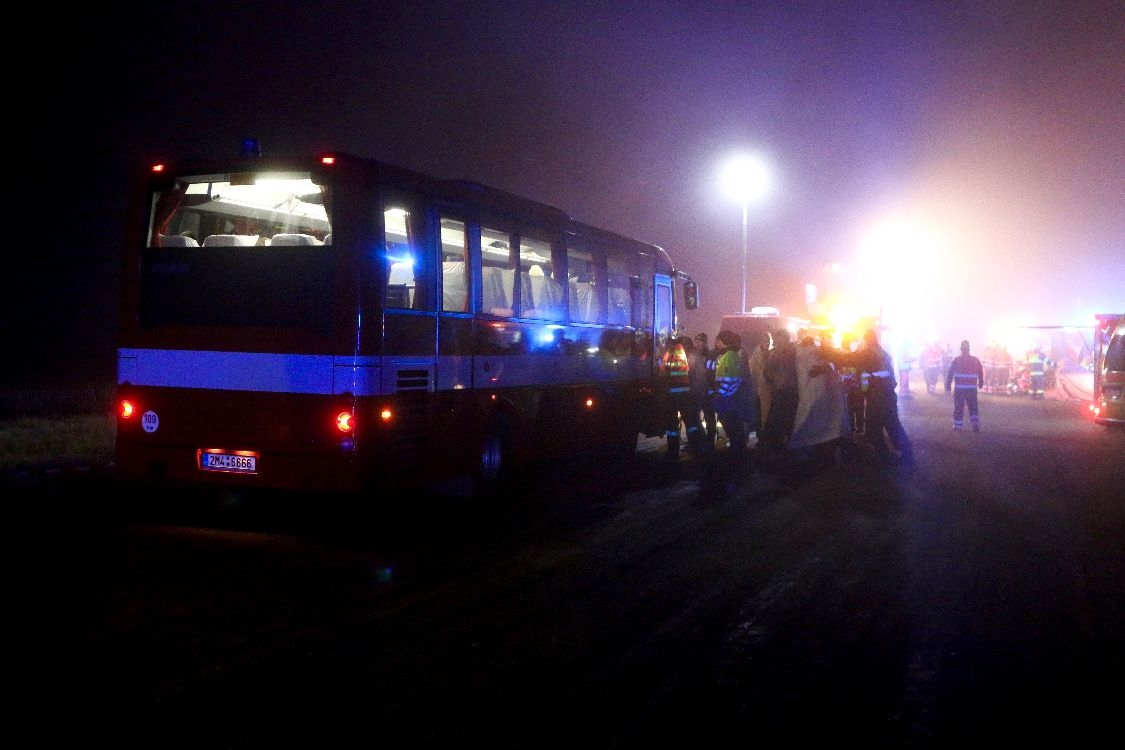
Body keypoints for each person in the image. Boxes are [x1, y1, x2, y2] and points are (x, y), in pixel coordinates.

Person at [825, 328, 914, 466]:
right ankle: (906, 453)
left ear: (867, 340)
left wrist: (828, 351)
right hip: (887, 395)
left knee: (873, 429)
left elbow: (848, 359)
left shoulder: (869, 353)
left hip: (878, 397)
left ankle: (884, 457)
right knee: (892, 425)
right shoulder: (881, 352)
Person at [789, 333, 848, 467]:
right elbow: (834, 367)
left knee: (808, 426)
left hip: (807, 398)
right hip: (826, 398)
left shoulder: (797, 356)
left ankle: (807, 457)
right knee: (827, 429)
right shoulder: (821, 355)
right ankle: (828, 460)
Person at [657, 336, 705, 459]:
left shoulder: (669, 353)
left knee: (672, 425)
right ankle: (697, 448)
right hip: (685, 393)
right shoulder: (684, 354)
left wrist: (662, 392)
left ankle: (673, 451)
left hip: (671, 394)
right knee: (691, 423)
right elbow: (690, 372)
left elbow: (662, 373)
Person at [711, 330, 750, 452]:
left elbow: (728, 379)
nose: (716, 342)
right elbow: (717, 367)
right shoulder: (727, 355)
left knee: (731, 425)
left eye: (718, 340)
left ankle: (737, 450)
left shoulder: (728, 356)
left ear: (723, 341)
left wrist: (720, 394)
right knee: (733, 424)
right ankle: (737, 448)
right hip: (729, 396)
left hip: (727, 397)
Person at [761, 327, 798, 453]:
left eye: (777, 338)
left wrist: (772, 377)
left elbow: (768, 371)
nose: (775, 340)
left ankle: (777, 448)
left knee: (779, 420)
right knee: (784, 420)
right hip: (787, 391)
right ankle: (782, 447)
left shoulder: (784, 352)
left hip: (784, 391)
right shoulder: (792, 351)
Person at [682, 335, 715, 451]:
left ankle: (700, 443)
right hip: (701, 390)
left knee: (694, 419)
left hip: (696, 391)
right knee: (695, 418)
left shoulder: (691, 355)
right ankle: (700, 443)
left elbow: (688, 372)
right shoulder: (696, 354)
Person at [945, 339, 984, 432]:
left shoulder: (956, 360)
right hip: (972, 388)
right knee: (973, 407)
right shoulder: (975, 360)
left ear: (961, 349)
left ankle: (957, 426)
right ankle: (975, 425)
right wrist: (981, 382)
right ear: (969, 349)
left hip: (960, 389)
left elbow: (950, 373)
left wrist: (948, 385)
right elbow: (980, 372)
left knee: (958, 407)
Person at [692, 332, 718, 447]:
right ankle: (699, 440)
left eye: (700, 340)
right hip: (696, 391)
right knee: (694, 417)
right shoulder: (692, 354)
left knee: (709, 417)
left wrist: (704, 362)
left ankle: (710, 440)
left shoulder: (710, 355)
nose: (697, 343)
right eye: (696, 340)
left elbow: (713, 371)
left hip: (708, 391)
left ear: (705, 343)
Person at [746, 331, 772, 443]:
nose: (766, 342)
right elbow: (751, 369)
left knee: (769, 413)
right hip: (758, 389)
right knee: (760, 414)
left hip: (770, 390)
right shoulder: (756, 353)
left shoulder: (773, 352)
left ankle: (767, 436)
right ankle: (762, 436)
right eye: (765, 339)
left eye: (768, 340)